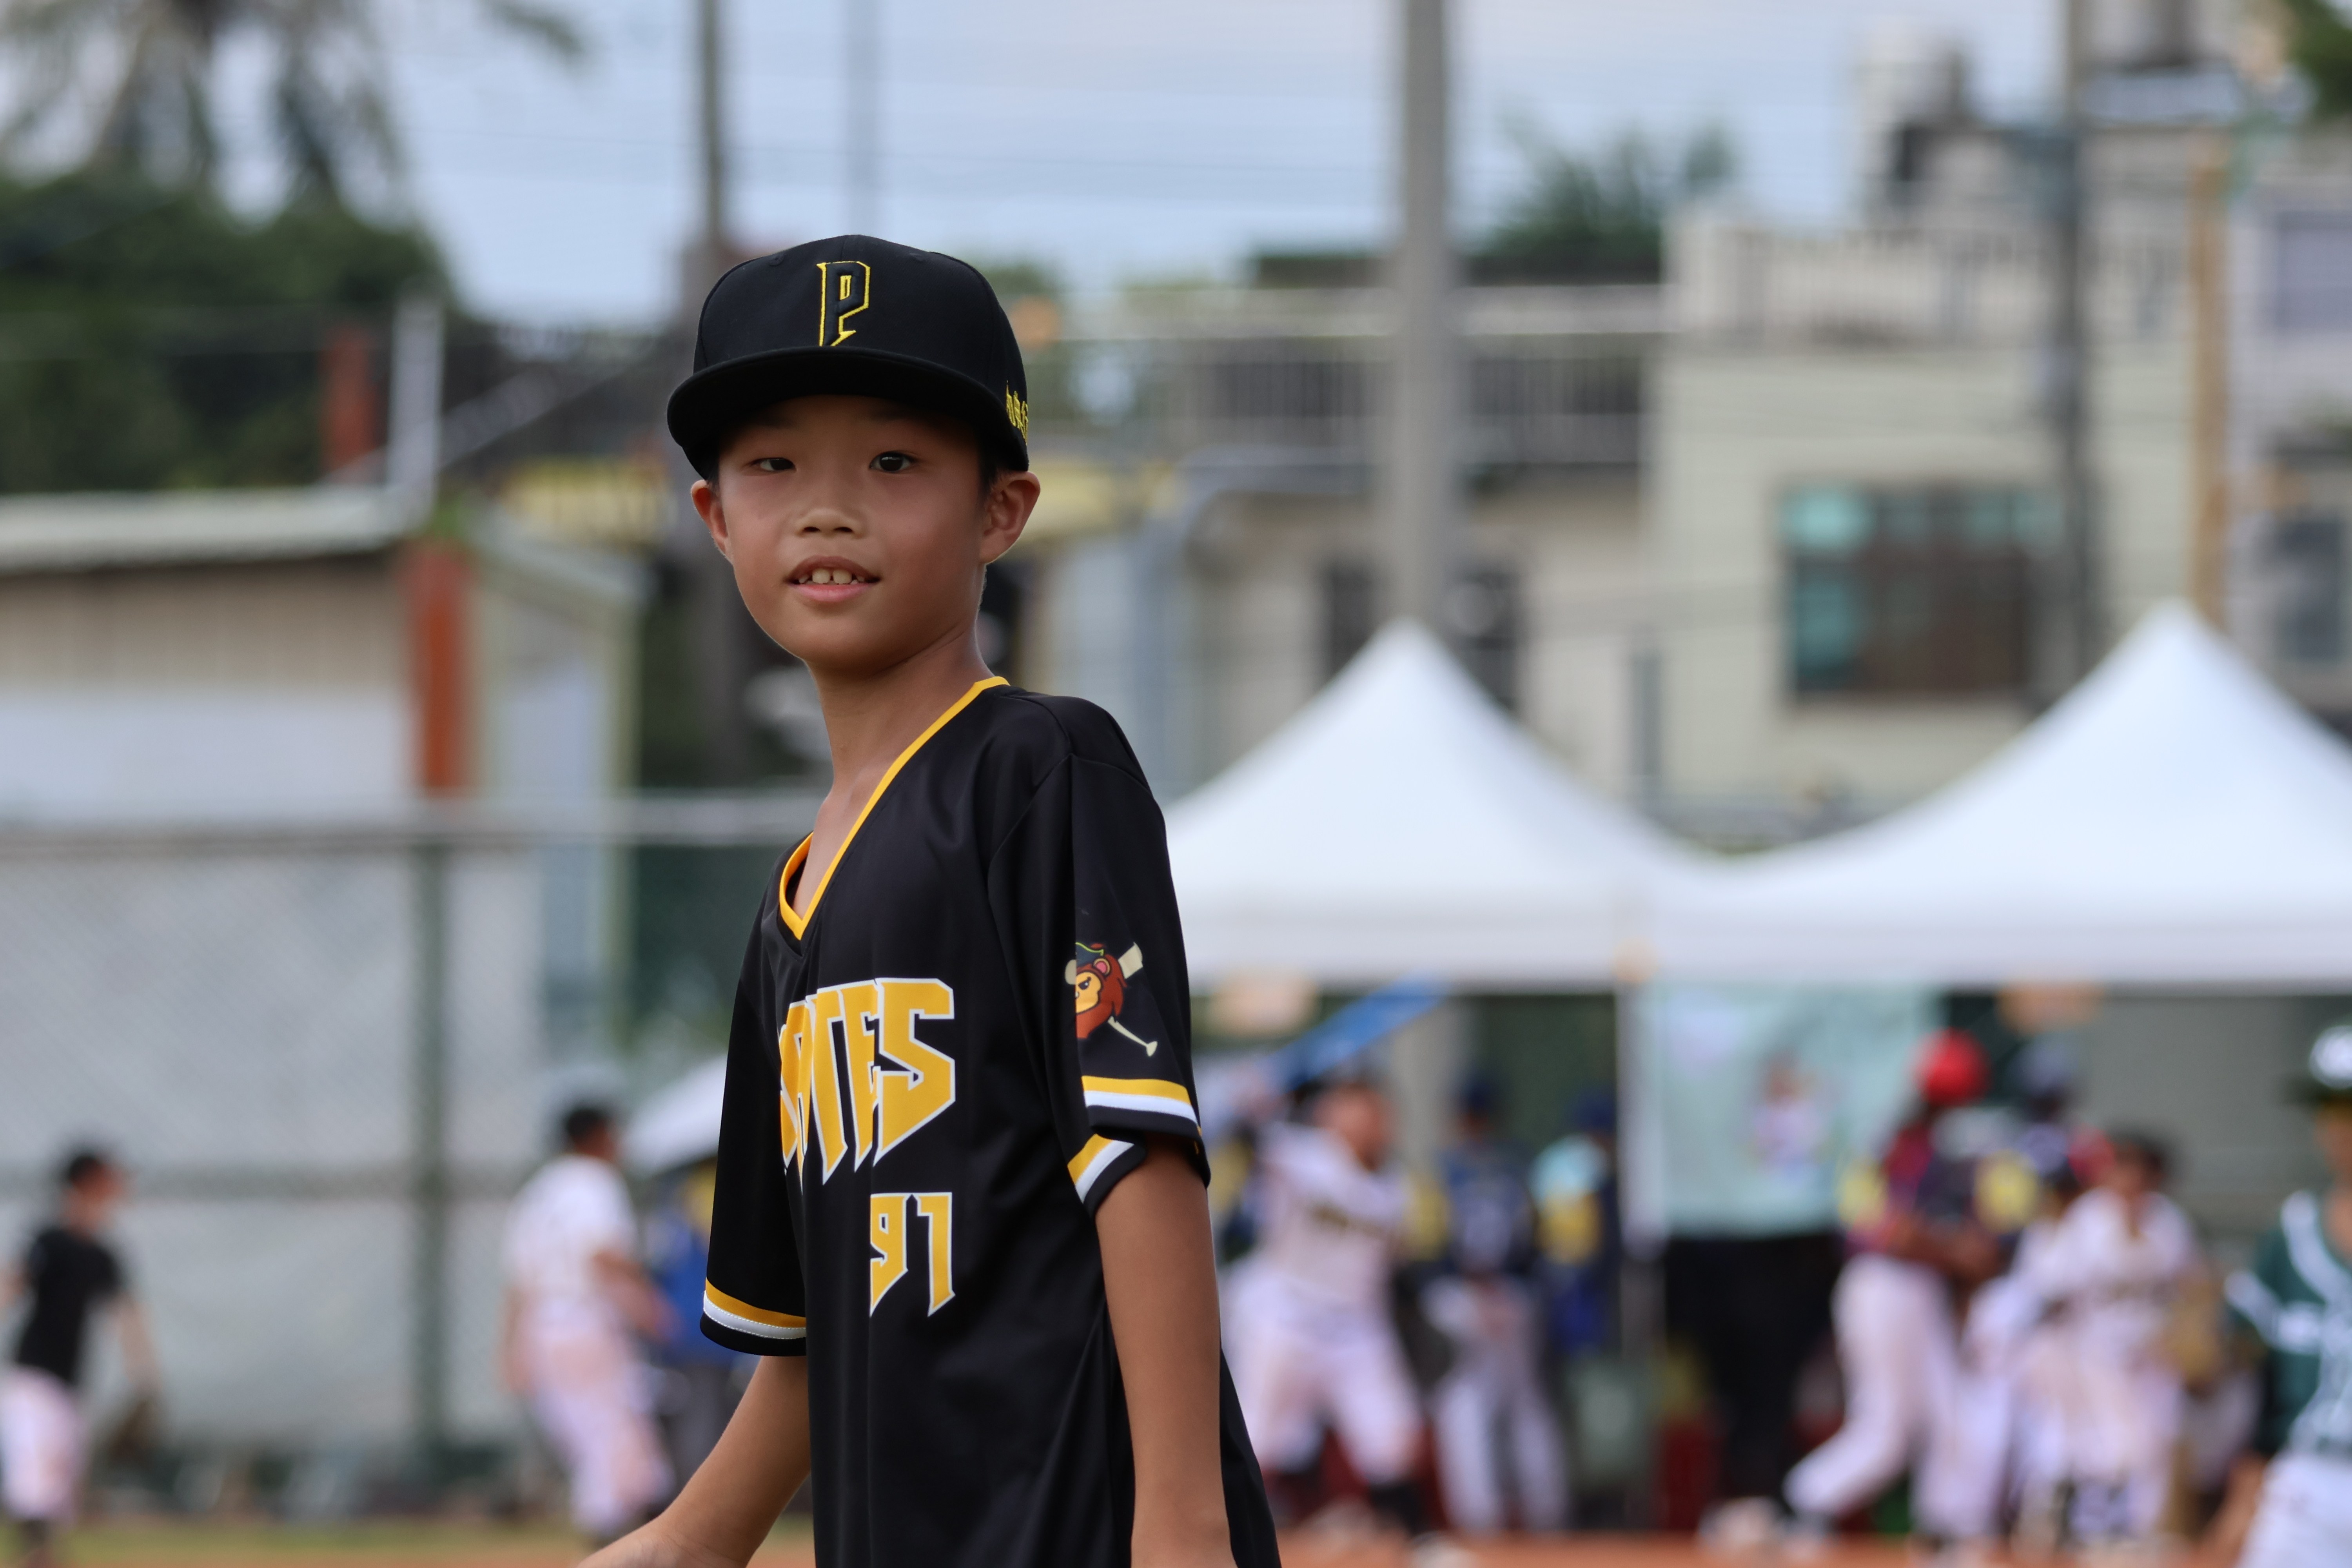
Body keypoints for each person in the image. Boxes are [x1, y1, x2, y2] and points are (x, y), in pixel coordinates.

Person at [587, 236, 1278, 1568]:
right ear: (715, 519)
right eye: (775, 465)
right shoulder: (790, 916)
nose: (828, 511)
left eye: (895, 463)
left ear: (1001, 513)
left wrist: (1184, 1525)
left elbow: (1140, 1161)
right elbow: (810, 1332)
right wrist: (694, 1538)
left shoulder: (1042, 772)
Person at [1783, 1028, 2005, 1550]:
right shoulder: (1892, 1140)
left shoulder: (1941, 1147)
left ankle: (1947, 1528)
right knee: (1887, 1428)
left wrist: (1963, 1253)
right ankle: (1806, 1502)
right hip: (1883, 1284)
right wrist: (1958, 1251)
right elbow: (1892, 1234)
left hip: (1917, 1288)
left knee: (1949, 1411)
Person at [1223, 1079, 1428, 1540]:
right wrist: (1251, 1101)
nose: (1368, 1123)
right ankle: (1226, 1539)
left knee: (1391, 1436)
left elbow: (1396, 1269)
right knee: (1257, 1436)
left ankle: (1418, 1540)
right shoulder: (1305, 1154)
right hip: (1284, 1313)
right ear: (1330, 1115)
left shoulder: (1399, 1187)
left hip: (1356, 1322)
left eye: (1375, 1114)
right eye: (1355, 1110)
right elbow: (1249, 1138)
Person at [503, 1103, 673, 1545]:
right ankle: (611, 1529)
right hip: (586, 1320)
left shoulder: (537, 1192)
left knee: (588, 1430)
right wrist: (648, 1299)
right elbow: (602, 1255)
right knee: (613, 1426)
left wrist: (512, 1349)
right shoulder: (594, 1181)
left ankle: (625, 1523)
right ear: (597, 1136)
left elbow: (519, 1281)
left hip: (543, 1325)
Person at [2222, 1021, 2352, 1568]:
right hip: (2310, 1483)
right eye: (2330, 1111)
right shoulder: (2294, 1230)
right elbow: (2258, 1377)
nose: (2340, 1128)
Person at [2033, 1130, 2199, 1547]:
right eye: (2122, 1167)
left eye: (2138, 1169)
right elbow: (2053, 1287)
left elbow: (2191, 1286)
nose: (2130, 1178)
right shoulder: (2088, 1217)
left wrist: (2182, 1337)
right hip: (2096, 1349)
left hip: (2154, 1352)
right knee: (2108, 1444)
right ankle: (2092, 1528)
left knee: (2155, 1442)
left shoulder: (2169, 1220)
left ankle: (2142, 1532)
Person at [1420, 1081, 1566, 1534]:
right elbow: (1543, 1242)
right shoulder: (1521, 1165)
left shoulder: (1443, 1168)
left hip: (1461, 1298)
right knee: (1526, 1404)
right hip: (1515, 1294)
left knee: (1465, 1401)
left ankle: (1480, 1519)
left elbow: (1427, 1245)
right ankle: (1547, 1513)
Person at [0, 1147, 157, 1568]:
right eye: (109, 1178)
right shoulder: (49, 1240)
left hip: (70, 1380)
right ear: (86, 1182)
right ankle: (38, 1556)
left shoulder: (103, 1254)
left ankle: (41, 1555)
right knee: (34, 1473)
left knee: (59, 1482)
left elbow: (125, 1313)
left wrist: (145, 1376)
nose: (117, 1188)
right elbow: (12, 1285)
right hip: (32, 1374)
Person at [642, 1160, 750, 1487]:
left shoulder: (671, 1208)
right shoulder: (715, 1192)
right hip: (707, 1328)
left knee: (700, 1414)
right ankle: (705, 1490)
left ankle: (702, 1489)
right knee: (707, 1417)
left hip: (682, 1329)